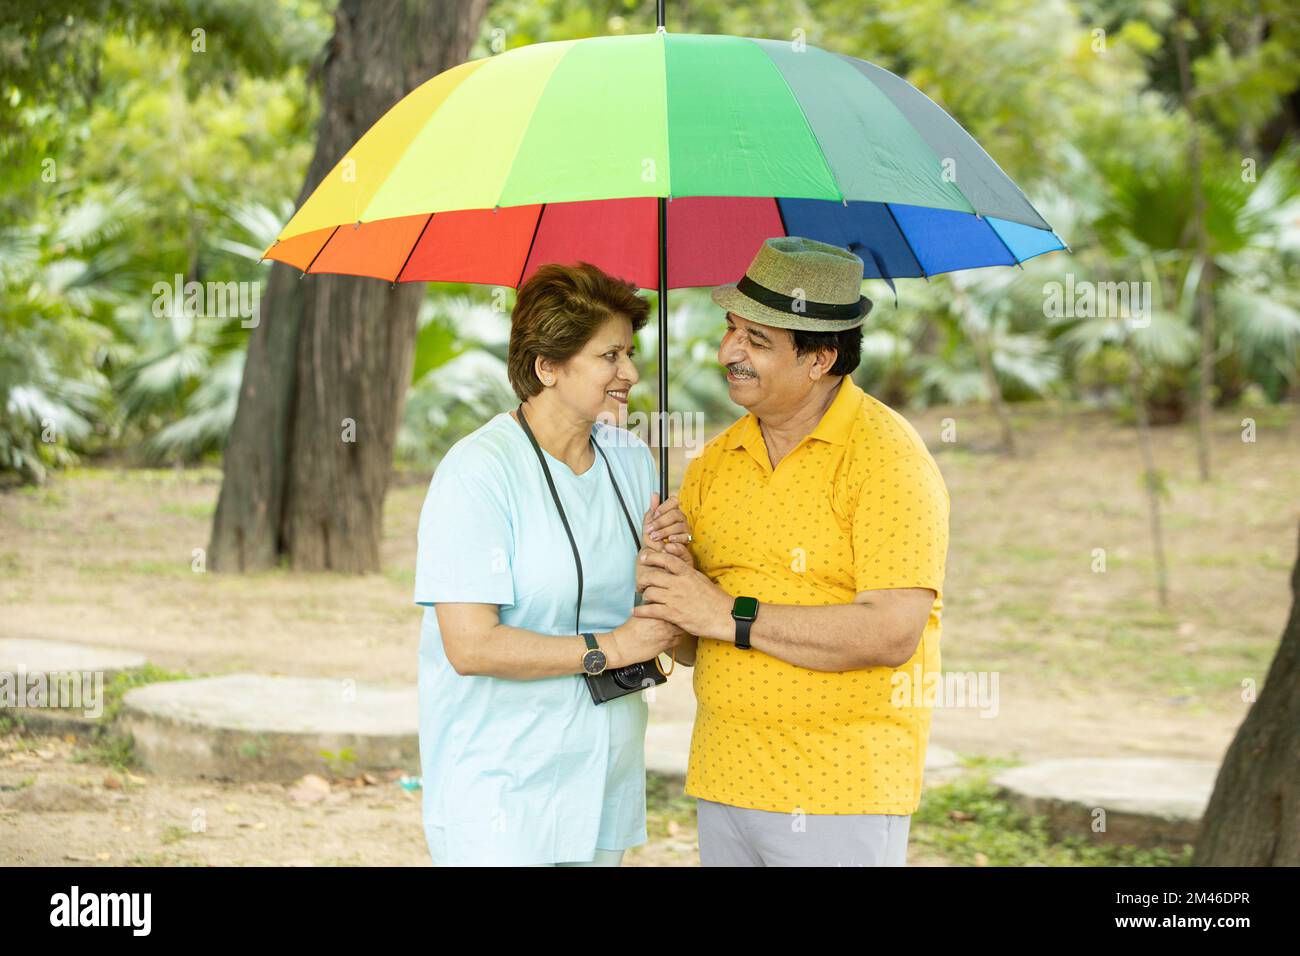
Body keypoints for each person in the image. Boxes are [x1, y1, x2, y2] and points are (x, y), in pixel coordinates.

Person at [634, 236, 950, 867]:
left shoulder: (887, 459)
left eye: (757, 341)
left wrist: (727, 611)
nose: (728, 352)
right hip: (725, 778)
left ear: (820, 358)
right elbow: (697, 645)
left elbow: (891, 632)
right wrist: (668, 585)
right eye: (731, 329)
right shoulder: (714, 464)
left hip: (840, 790)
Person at [413, 262, 692, 866]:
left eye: (631, 353)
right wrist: (613, 646)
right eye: (609, 356)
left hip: (604, 769)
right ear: (547, 366)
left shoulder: (632, 460)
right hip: (502, 784)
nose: (631, 373)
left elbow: (659, 618)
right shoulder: (478, 472)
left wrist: (674, 565)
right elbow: (470, 646)